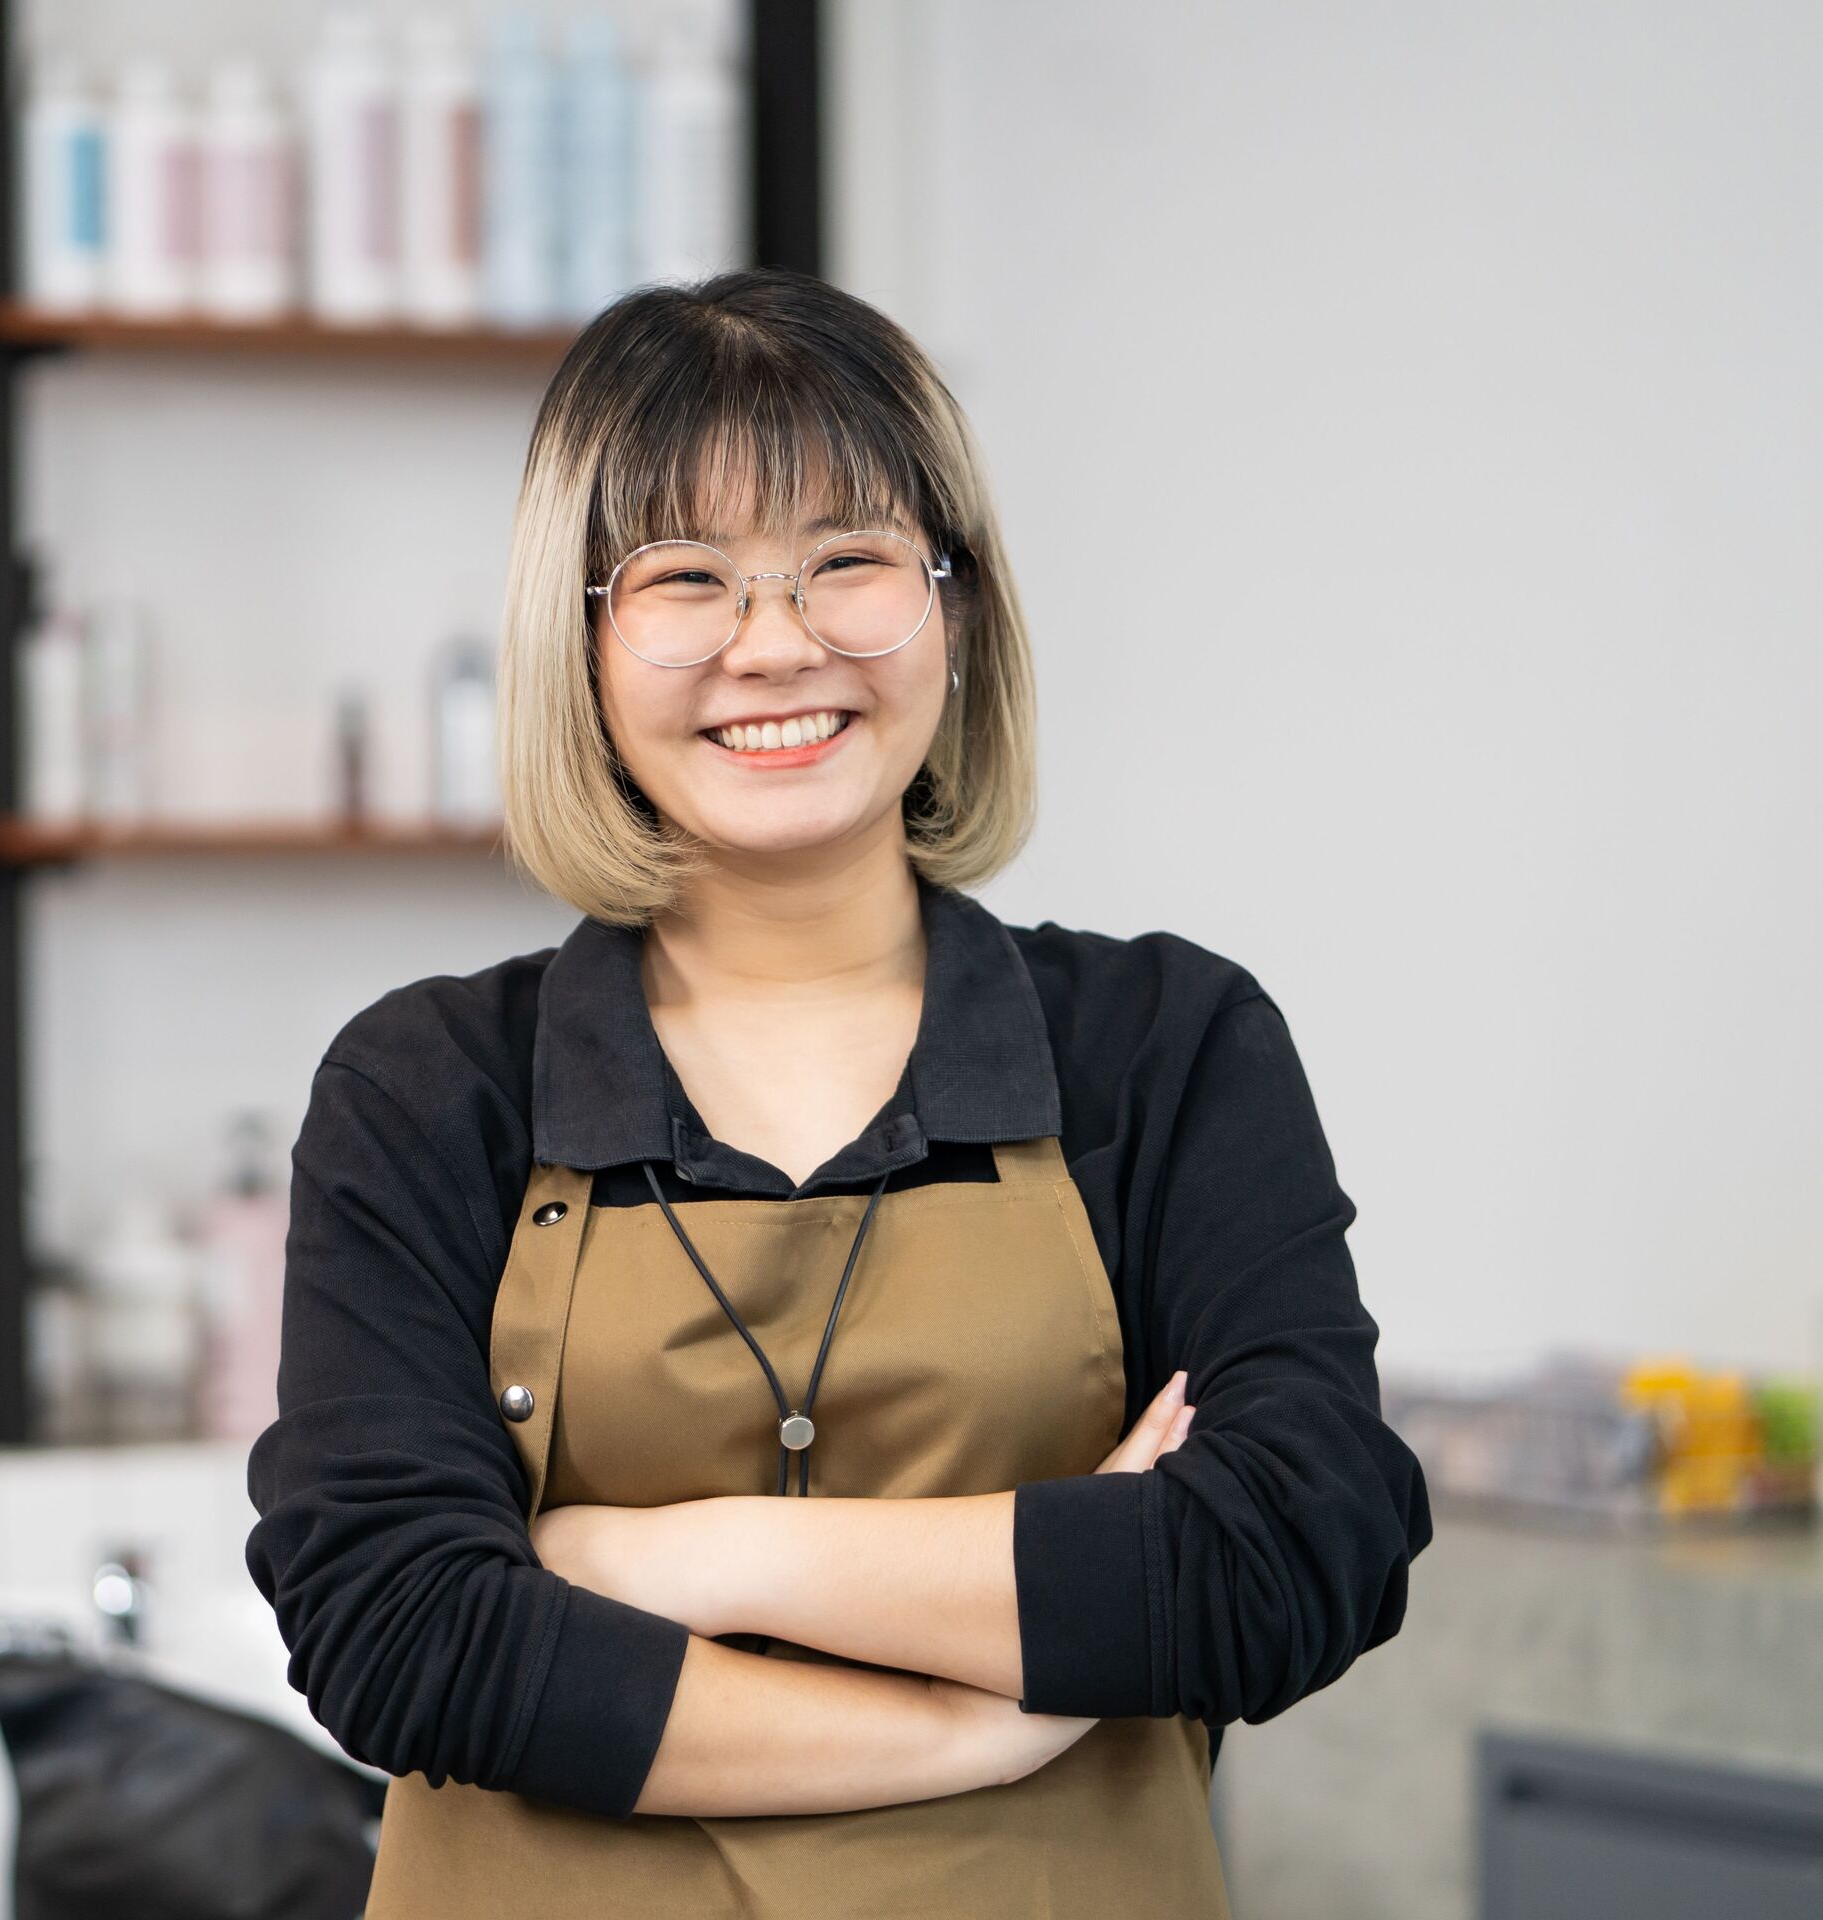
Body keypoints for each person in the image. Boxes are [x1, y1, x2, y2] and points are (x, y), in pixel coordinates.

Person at [243, 268, 1432, 1916]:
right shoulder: (427, 1087)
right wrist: (977, 1724)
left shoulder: (1164, 1045)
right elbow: (400, 1632)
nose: (776, 643)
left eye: (848, 563)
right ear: (580, 637)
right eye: (686, 578)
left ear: (955, 606)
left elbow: (1295, 1552)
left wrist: (684, 1555)